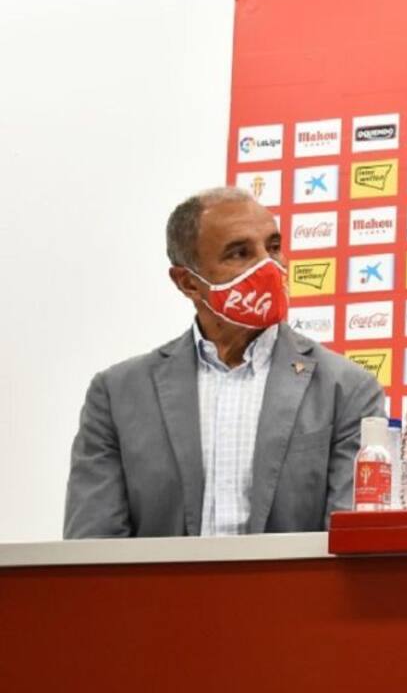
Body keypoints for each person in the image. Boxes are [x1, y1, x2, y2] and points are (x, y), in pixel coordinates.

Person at [64, 187, 384, 538]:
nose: (269, 265)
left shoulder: (348, 390)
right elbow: (93, 549)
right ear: (188, 282)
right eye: (240, 253)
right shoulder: (117, 395)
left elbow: (351, 547)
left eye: (273, 247)